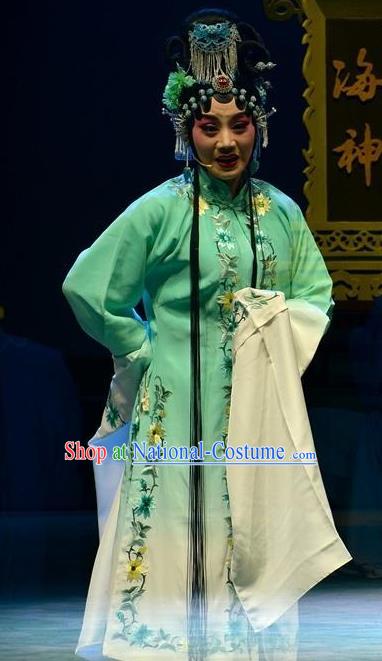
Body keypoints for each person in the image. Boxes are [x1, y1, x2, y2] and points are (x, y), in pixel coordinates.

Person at [62, 8, 351, 660]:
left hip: (253, 410)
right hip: (173, 407)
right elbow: (86, 285)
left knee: (248, 522)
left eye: (239, 125)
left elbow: (316, 295)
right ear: (186, 131)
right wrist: (139, 346)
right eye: (208, 126)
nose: (226, 141)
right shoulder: (161, 210)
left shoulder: (280, 213)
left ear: (260, 127)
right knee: (169, 527)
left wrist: (271, 333)